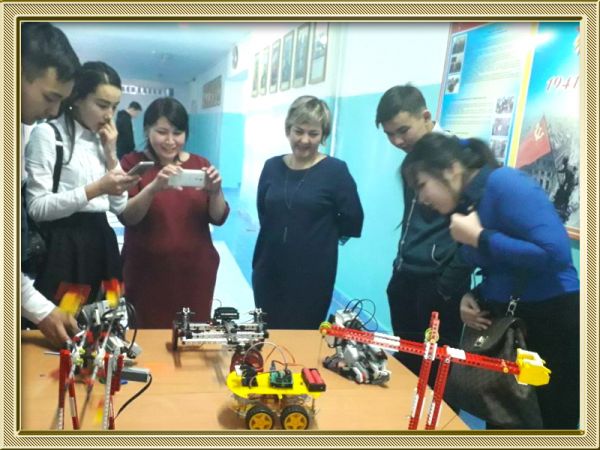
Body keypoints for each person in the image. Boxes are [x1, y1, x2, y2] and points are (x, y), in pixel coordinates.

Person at [401, 132, 580, 429]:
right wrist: (474, 296)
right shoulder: (468, 205)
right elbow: (502, 266)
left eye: (421, 186)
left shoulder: (504, 183)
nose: (421, 199)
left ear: (450, 169)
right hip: (510, 322)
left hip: (552, 320)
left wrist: (480, 237)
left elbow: (555, 254)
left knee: (549, 422)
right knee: (503, 417)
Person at [25, 61, 140, 308]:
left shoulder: (104, 139)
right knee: (68, 319)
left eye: (114, 107)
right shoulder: (48, 135)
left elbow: (119, 206)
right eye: (102, 105)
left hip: (103, 242)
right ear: (77, 98)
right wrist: (97, 189)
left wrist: (111, 154)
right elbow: (37, 207)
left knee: (108, 316)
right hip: (65, 246)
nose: (109, 115)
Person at [375, 85, 471, 376]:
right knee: (407, 362)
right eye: (389, 134)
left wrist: (447, 283)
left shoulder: (458, 156)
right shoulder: (414, 156)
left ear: (426, 116)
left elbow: (475, 229)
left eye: (403, 130)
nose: (397, 140)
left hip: (439, 285)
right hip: (405, 277)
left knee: (438, 371)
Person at [252, 95, 364, 329]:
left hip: (312, 276)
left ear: (323, 135)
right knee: (267, 334)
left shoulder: (335, 171)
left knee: (303, 336)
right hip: (268, 270)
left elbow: (353, 218)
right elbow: (264, 211)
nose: (304, 140)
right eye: (298, 131)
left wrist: (322, 236)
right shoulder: (271, 166)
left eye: (313, 134)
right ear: (288, 130)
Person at [119, 97, 229, 328]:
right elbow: (128, 216)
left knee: (191, 336)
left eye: (177, 133)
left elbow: (218, 217)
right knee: (147, 338)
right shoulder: (133, 164)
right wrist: (153, 188)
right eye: (162, 132)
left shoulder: (200, 164)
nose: (170, 141)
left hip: (195, 275)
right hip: (145, 275)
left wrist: (215, 191)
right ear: (147, 130)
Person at [20, 22, 81, 347]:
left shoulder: (20, 127)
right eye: (49, 97)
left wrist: (38, 307)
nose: (53, 111)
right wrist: (40, 308)